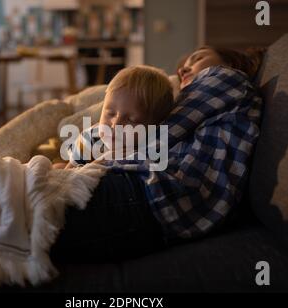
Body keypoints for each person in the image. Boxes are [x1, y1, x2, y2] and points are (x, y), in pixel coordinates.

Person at [50, 46, 264, 264]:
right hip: (158, 195)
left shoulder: (225, 77)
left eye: (197, 58)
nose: (183, 69)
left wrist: (87, 165)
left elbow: (149, 142)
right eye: (182, 67)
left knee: (35, 206)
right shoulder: (198, 106)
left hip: (161, 195)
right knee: (40, 186)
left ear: (231, 62)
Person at [53, 65, 174, 169]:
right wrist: (100, 162)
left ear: (154, 127)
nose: (116, 124)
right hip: (79, 171)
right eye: (110, 113)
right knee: (57, 168)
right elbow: (69, 178)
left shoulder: (149, 151)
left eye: (131, 120)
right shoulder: (90, 138)